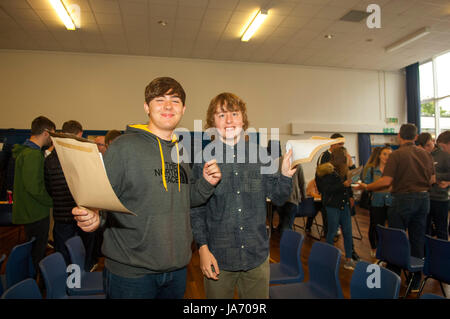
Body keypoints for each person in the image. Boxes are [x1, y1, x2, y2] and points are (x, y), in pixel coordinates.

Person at [72, 77, 222, 299]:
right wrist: (95, 217)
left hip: (176, 270)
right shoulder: (124, 147)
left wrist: (206, 184)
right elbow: (99, 202)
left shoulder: (180, 151)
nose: (168, 106)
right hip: (131, 274)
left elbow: (186, 199)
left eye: (175, 100)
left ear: (183, 109)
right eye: (159, 100)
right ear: (146, 107)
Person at [190, 92, 295, 299]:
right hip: (218, 258)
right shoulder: (204, 159)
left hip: (256, 257)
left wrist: (284, 175)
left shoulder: (261, 156)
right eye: (221, 115)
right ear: (212, 123)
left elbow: (279, 198)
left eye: (234, 114)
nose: (229, 120)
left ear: (243, 120)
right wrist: (202, 248)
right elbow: (196, 208)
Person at [356, 123, 435, 292]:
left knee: (396, 237)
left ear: (399, 136)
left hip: (403, 199)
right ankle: (415, 280)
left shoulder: (397, 155)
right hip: (423, 199)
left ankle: (395, 275)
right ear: (415, 137)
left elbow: (386, 181)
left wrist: (366, 187)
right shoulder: (426, 154)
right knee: (417, 238)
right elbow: (432, 181)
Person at [44, 120, 99, 271]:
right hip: (82, 215)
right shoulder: (80, 157)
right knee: (81, 255)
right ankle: (81, 284)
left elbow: (48, 187)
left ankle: (66, 287)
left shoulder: (49, 159)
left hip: (61, 216)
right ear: (79, 135)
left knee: (63, 256)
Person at [12, 116, 55, 271]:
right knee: (38, 254)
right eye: (52, 134)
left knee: (33, 252)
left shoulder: (25, 151)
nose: (52, 139)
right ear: (45, 132)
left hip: (30, 210)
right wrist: (52, 201)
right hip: (35, 212)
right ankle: (37, 284)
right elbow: (34, 188)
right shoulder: (32, 154)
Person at [316, 147, 356, 270]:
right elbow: (326, 190)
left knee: (348, 232)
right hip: (332, 205)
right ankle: (329, 257)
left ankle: (349, 259)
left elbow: (347, 187)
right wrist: (342, 185)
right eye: (346, 155)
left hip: (344, 205)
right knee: (332, 232)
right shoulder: (327, 171)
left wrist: (351, 196)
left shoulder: (343, 170)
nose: (348, 157)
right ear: (341, 157)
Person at [362, 145, 393, 258]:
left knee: (390, 228)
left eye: (390, 155)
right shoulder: (371, 170)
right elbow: (367, 185)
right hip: (376, 202)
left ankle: (387, 249)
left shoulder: (394, 170)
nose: (387, 157)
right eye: (385, 154)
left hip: (391, 203)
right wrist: (380, 186)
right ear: (379, 155)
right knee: (375, 226)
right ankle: (374, 247)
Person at [427, 130, 450, 240]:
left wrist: (438, 178)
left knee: (443, 229)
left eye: (443, 147)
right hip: (430, 197)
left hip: (441, 199)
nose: (443, 151)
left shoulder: (445, 156)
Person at [276, 164, 306, 236]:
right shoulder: (298, 165)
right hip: (291, 199)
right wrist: (304, 196)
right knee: (287, 225)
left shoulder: (279, 162)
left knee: (283, 222)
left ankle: (281, 242)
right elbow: (302, 183)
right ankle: (285, 244)